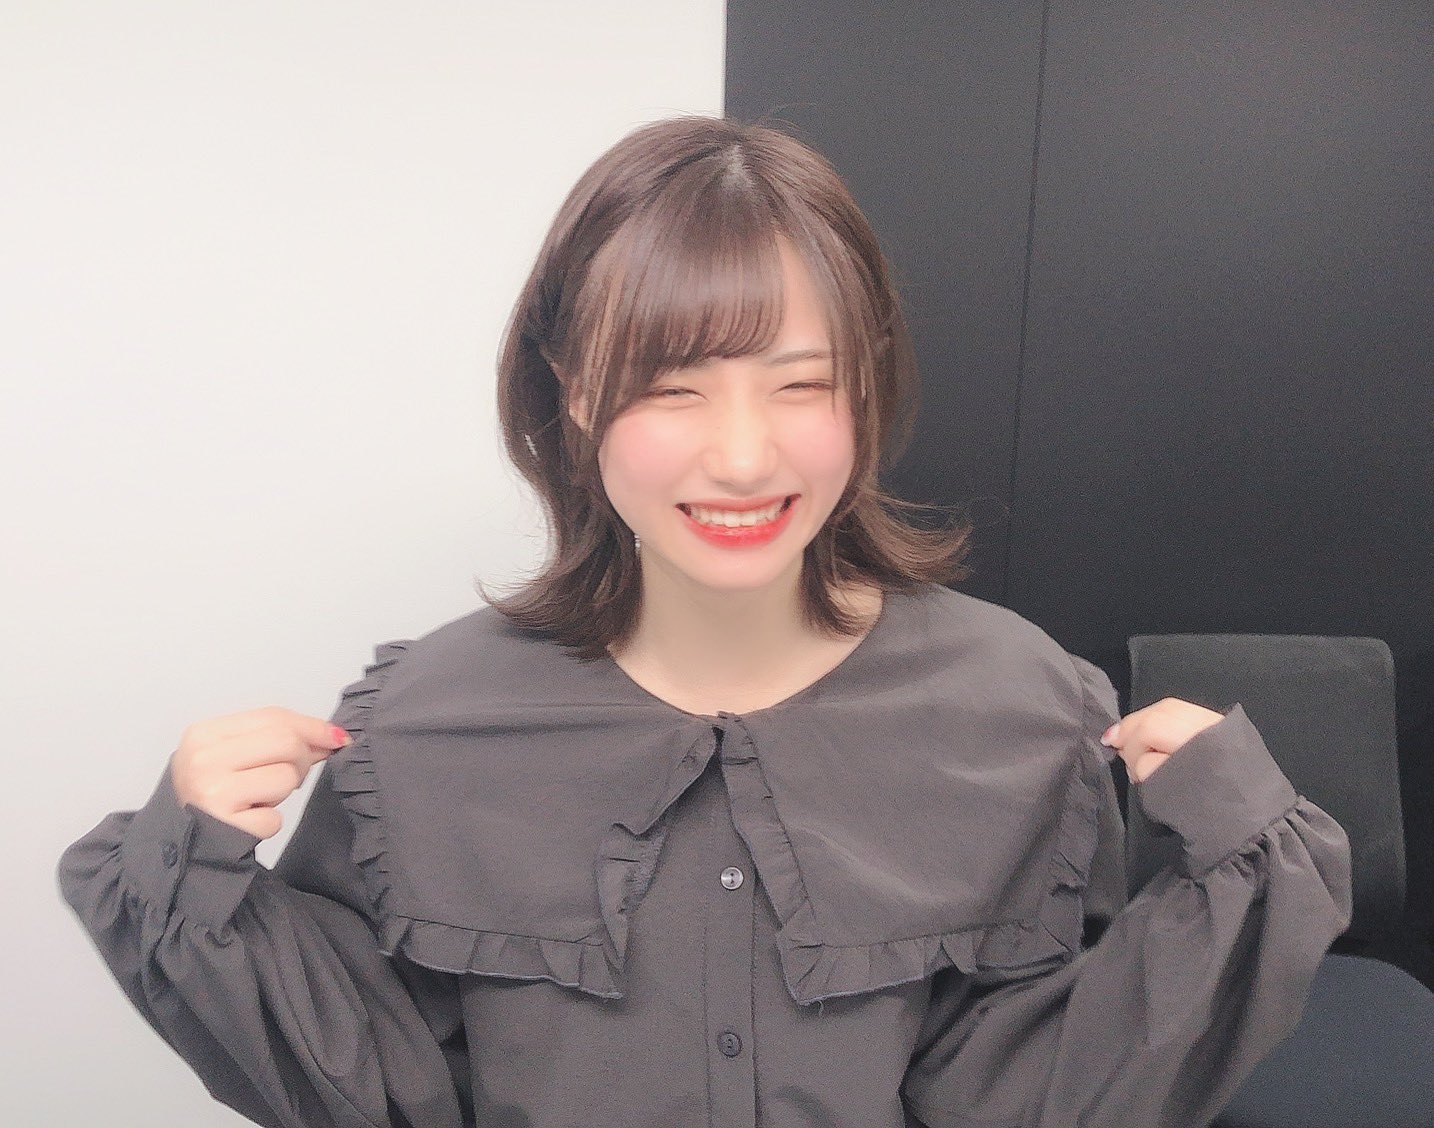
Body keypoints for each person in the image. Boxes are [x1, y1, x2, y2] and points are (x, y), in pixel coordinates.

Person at [56, 114, 1351, 1128]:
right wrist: (191, 875)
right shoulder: (424, 725)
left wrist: (1249, 862)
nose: (740, 457)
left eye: (801, 384)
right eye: (670, 388)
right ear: (573, 394)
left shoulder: (1022, 706)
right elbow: (377, 1089)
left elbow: (1038, 1092)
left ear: (865, 390)